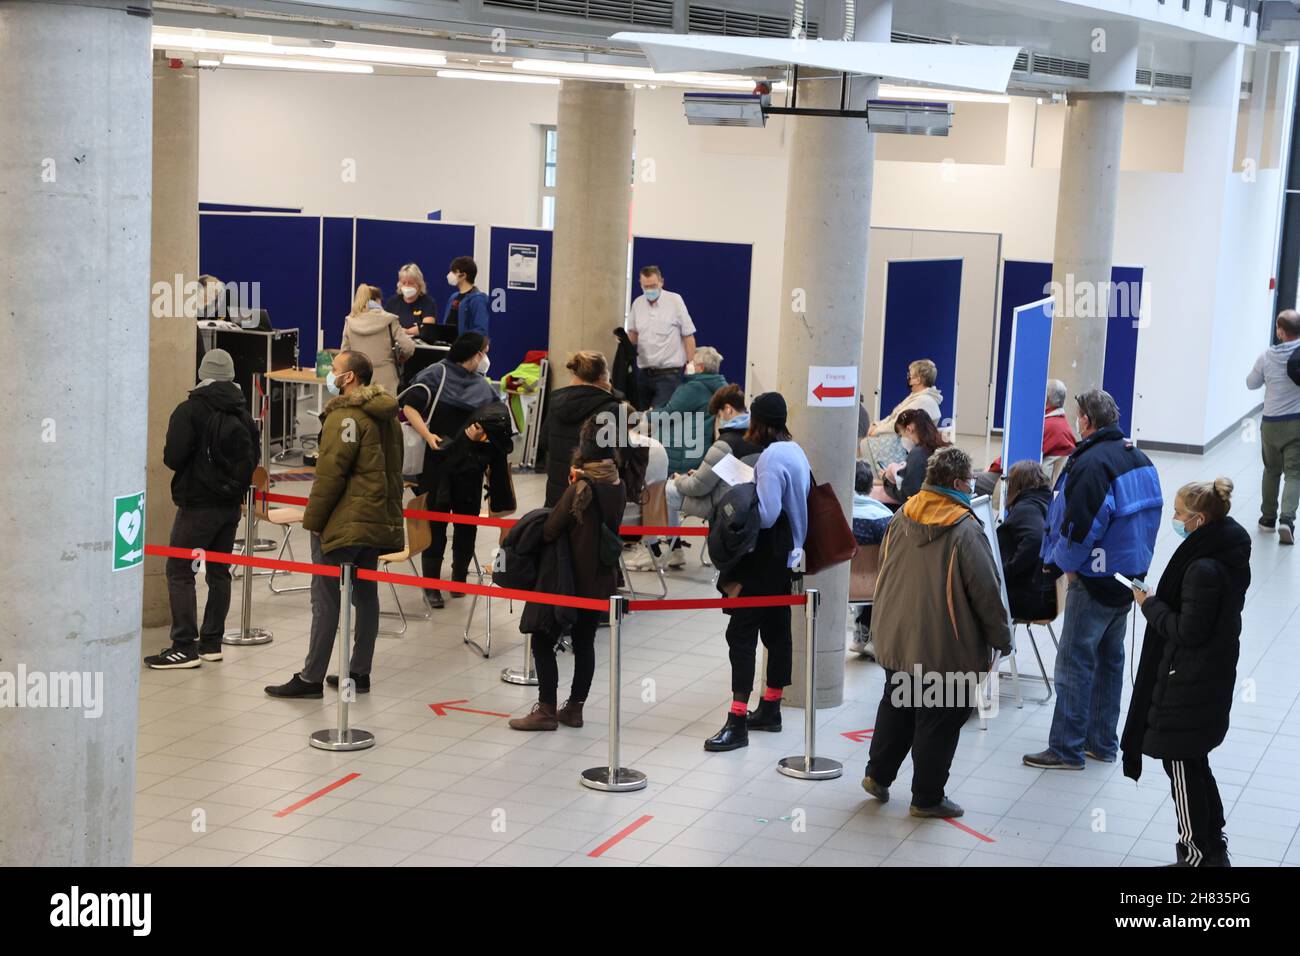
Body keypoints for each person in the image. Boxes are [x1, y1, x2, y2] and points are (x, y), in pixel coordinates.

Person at [861, 447, 1012, 818]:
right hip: (946, 644)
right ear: (959, 483)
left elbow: (885, 569)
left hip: (896, 634)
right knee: (939, 718)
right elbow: (986, 592)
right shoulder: (964, 528)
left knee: (898, 702)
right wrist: (1001, 639)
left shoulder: (901, 516)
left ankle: (878, 775)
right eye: (971, 480)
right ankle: (926, 797)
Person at [1023, 388, 1163, 770]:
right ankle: (1102, 743)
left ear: (1085, 421)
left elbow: (1079, 527)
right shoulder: (1140, 459)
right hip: (1127, 578)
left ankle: (1066, 748)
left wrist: (1064, 566)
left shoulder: (1091, 464)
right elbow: (1150, 518)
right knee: (1109, 661)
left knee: (1074, 663)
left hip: (1093, 579)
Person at [1121, 478, 1249, 867]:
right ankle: (1212, 847)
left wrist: (1150, 605)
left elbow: (1186, 631)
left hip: (1188, 682)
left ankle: (1194, 853)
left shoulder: (1203, 568)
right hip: (1207, 677)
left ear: (1198, 519)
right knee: (1195, 761)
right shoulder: (1227, 549)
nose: (1173, 520)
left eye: (1179, 514)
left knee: (1180, 764)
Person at [265, 351, 404, 698]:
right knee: (366, 596)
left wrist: (314, 520)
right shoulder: (388, 416)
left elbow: (330, 475)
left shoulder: (345, 417)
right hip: (374, 521)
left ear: (350, 378)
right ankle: (359, 671)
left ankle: (311, 678)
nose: (328, 375)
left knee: (325, 600)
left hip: (343, 523)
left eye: (335, 370)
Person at [704, 392, 809, 752]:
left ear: (760, 423)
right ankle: (771, 707)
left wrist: (744, 488)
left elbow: (765, 515)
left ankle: (737, 721)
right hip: (788, 557)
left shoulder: (770, 457)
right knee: (778, 632)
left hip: (763, 558)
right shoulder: (795, 450)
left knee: (742, 635)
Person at [144, 349, 261, 670]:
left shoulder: (190, 409)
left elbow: (173, 457)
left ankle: (183, 646)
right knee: (219, 573)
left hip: (197, 505)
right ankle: (211, 643)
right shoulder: (243, 413)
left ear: (202, 372)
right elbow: (254, 458)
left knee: (180, 571)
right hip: (230, 506)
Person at [510, 421, 627, 732]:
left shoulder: (580, 489)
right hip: (601, 580)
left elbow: (551, 529)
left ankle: (546, 709)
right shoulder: (618, 484)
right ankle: (575, 708)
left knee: (542, 640)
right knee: (585, 644)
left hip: (567, 581)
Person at [402, 333, 497, 608]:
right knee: (437, 521)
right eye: (485, 352)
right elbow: (409, 406)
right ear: (474, 353)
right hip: (437, 462)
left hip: (470, 464)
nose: (486, 358)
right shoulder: (436, 373)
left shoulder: (484, 386)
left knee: (467, 523)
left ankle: (458, 579)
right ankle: (432, 585)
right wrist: (428, 435)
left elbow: (497, 422)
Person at [639, 384, 760, 570]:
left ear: (728, 409)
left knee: (663, 489)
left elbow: (697, 488)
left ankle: (662, 550)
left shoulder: (725, 443)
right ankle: (674, 548)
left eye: (719, 416)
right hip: (744, 500)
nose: (719, 421)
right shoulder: (756, 436)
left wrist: (679, 479)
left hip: (719, 504)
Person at [540, 350, 621, 508]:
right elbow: (622, 454)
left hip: (556, 495)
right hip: (591, 497)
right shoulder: (612, 409)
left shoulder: (556, 402)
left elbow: (544, 441)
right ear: (601, 376)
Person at [1246, 309, 1300, 545]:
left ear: (1280, 330)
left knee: (1271, 471)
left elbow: (1251, 383)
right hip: (1297, 422)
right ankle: (1286, 520)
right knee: (1294, 473)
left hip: (1271, 423)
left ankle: (1267, 519)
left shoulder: (1267, 356)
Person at [978, 378, 1078, 495]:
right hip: (1035, 483)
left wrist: (991, 468)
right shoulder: (1062, 425)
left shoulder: (1045, 427)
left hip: (1021, 484)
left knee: (973, 480)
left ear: (1045, 398)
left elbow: (1015, 458)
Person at [625, 265, 696, 410]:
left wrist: (691, 365)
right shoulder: (637, 303)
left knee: (661, 419)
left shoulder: (675, 301)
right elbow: (633, 335)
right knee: (639, 418)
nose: (649, 290)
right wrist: (623, 343)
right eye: (646, 287)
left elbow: (688, 335)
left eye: (653, 286)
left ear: (661, 282)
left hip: (669, 374)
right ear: (640, 284)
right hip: (644, 373)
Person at [996, 461, 1058, 622]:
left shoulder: (1026, 508)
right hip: (1045, 595)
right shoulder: (1046, 502)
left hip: (1028, 597)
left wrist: (1007, 571)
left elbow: (1035, 541)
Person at [654, 345, 727, 478]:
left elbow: (669, 413)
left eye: (691, 361)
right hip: (699, 452)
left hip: (680, 454)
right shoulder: (721, 387)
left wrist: (646, 415)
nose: (688, 364)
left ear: (701, 367)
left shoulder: (694, 388)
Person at [849, 461, 894, 658]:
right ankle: (874, 634)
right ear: (870, 487)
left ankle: (861, 633)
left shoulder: (837, 514)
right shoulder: (884, 516)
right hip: (874, 586)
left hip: (840, 586)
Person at [865, 359, 944, 469]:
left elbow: (898, 424)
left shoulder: (924, 401)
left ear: (918, 380)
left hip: (904, 447)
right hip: (899, 441)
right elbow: (894, 416)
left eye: (910, 375)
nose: (908, 378)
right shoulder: (915, 396)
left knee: (865, 444)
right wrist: (877, 425)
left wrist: (876, 430)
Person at [339, 283, 415, 395]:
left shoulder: (350, 321)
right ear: (378, 300)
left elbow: (344, 353)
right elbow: (409, 347)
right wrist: (401, 358)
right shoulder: (390, 320)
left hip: (358, 379)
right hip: (386, 378)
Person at [879, 408, 949, 507]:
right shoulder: (943, 446)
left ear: (909, 429)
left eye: (901, 435)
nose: (901, 440)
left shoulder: (918, 454)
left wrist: (887, 480)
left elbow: (907, 495)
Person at [442, 255, 491, 337]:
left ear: (463, 275)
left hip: (464, 347)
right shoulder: (453, 297)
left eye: (454, 272)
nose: (450, 275)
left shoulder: (478, 300)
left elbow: (481, 330)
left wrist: (465, 344)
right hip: (449, 346)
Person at [387, 263, 439, 338]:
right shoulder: (392, 302)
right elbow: (385, 325)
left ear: (419, 285)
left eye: (411, 283)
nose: (407, 286)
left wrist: (405, 332)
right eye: (404, 283)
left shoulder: (428, 302)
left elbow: (427, 327)